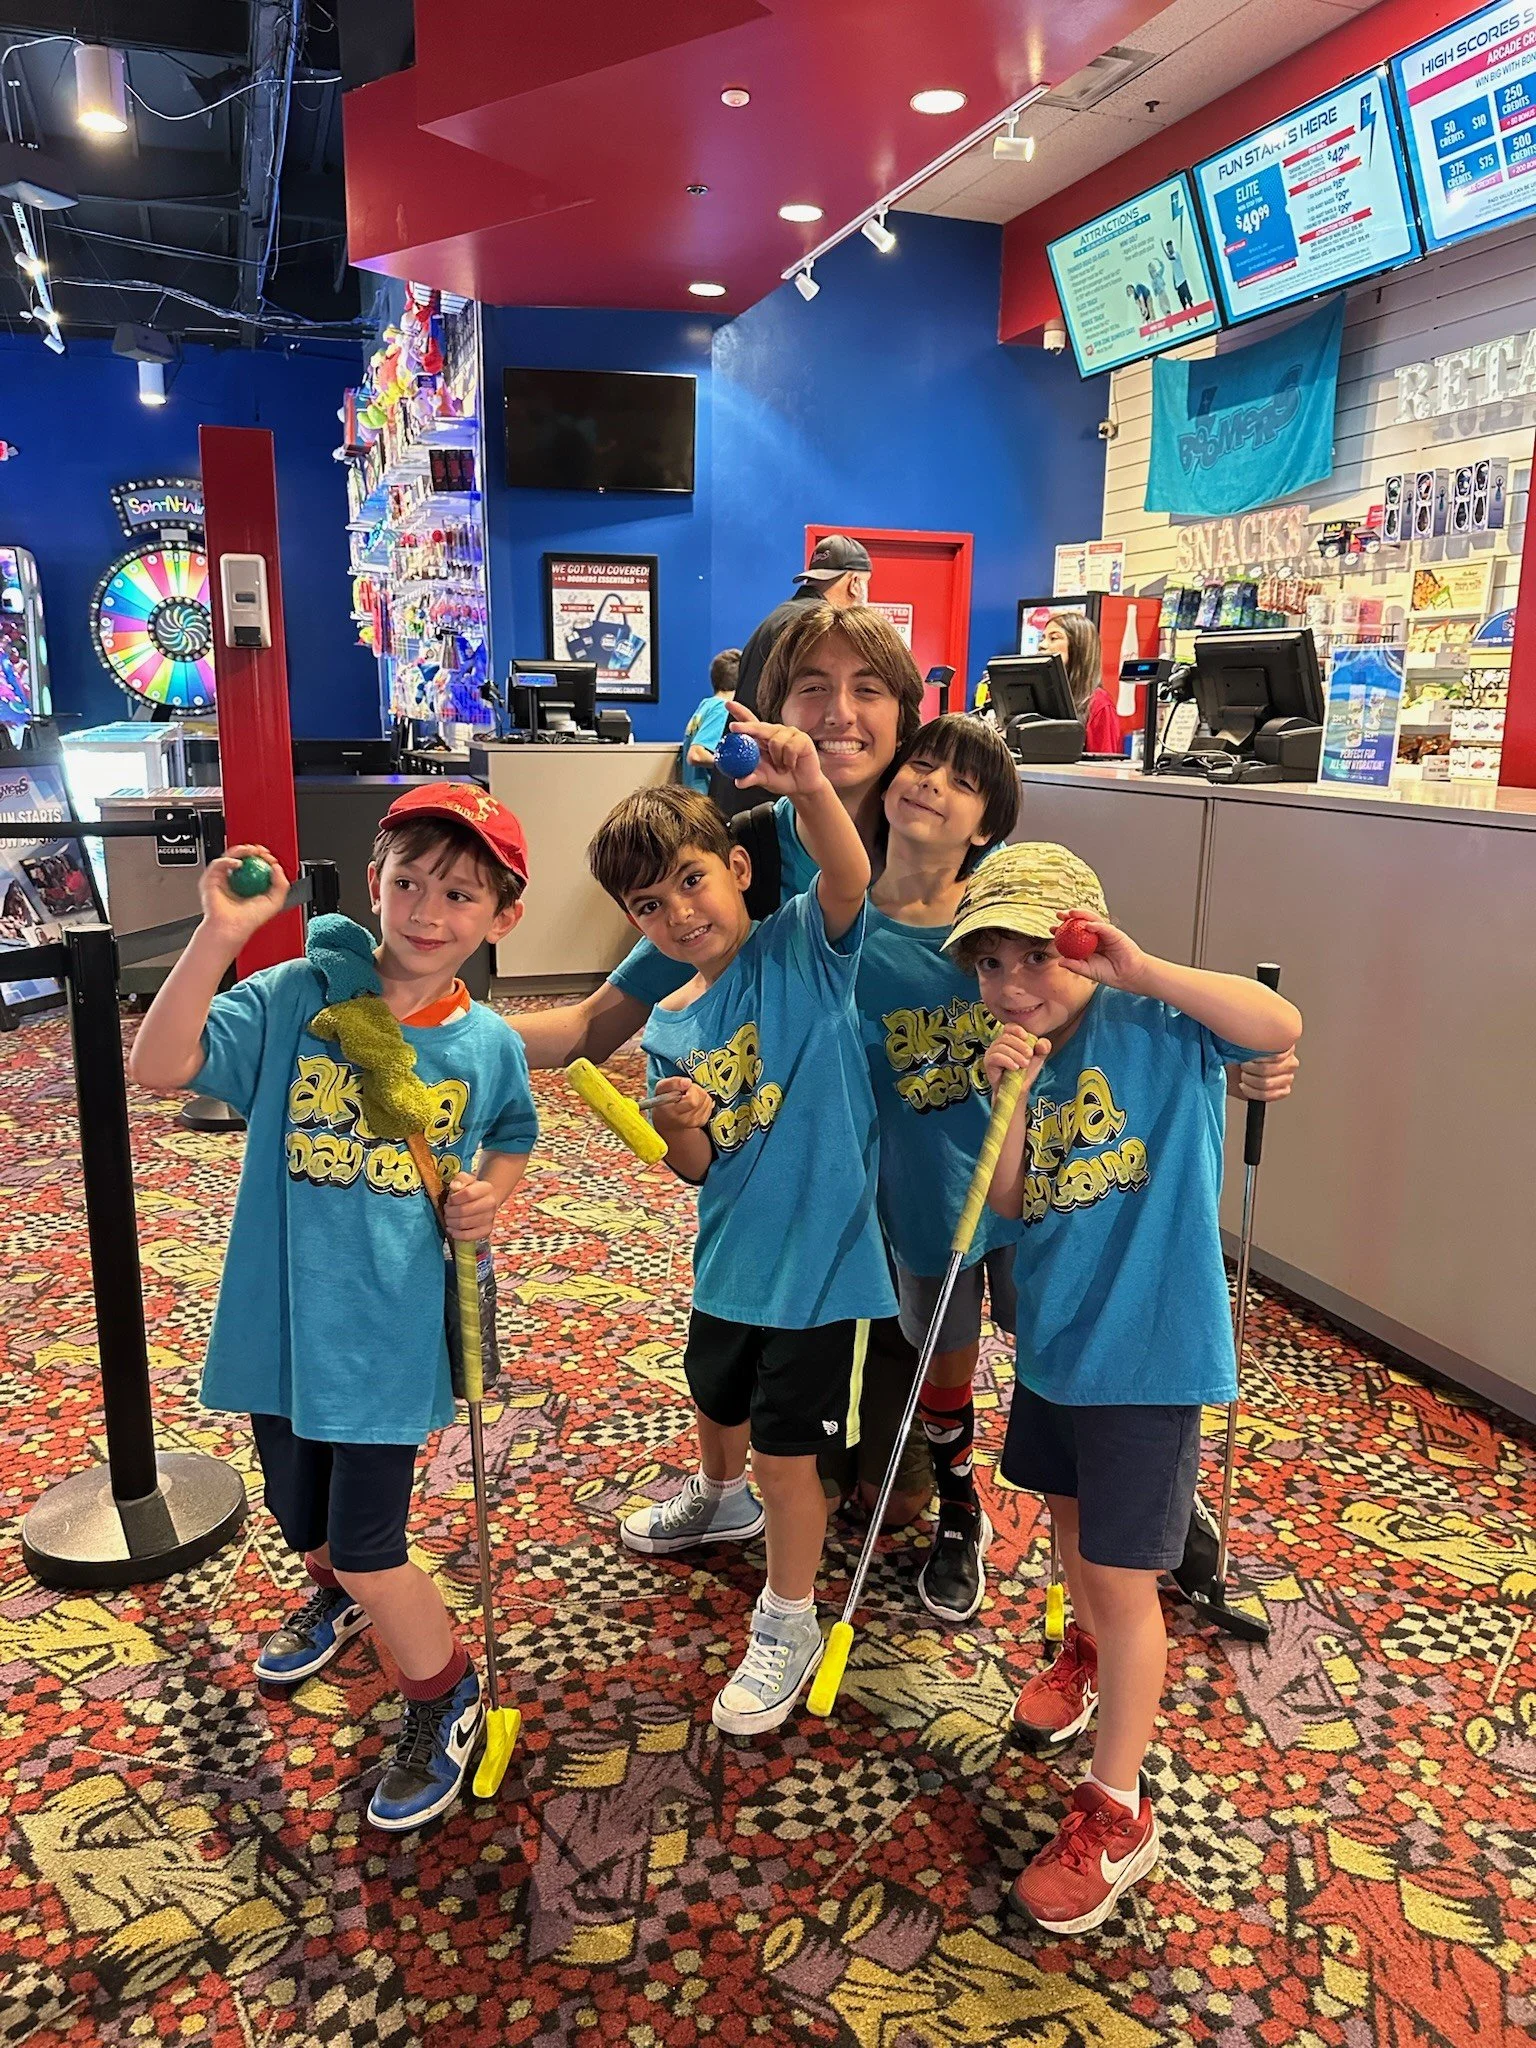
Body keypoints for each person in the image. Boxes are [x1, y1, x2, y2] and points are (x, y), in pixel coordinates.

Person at [514, 607, 1298, 1542]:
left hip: (1017, 1165)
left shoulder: (973, 850)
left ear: (905, 712)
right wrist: (435, 1012)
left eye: (867, 689)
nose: (839, 713)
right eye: (811, 687)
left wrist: (1230, 1052)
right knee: (862, 1464)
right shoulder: (751, 857)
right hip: (860, 1203)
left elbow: (1094, 988)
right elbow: (595, 1022)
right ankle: (938, 1481)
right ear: (770, 708)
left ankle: (1129, 1483)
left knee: (1054, 1340)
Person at [128, 784, 538, 1833]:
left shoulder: (487, 1040)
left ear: (501, 916)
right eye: (409, 881)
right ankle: (342, 1591)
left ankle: (444, 1689)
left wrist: (491, 1191)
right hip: (281, 1326)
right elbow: (160, 1064)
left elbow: (512, 1132)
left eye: (460, 891)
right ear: (375, 882)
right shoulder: (294, 997)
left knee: (368, 1542)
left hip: (387, 1341)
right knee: (300, 1519)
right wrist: (220, 935)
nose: (428, 910)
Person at [949, 842, 1302, 1934]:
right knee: (1067, 1523)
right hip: (1057, 1343)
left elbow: (1277, 1028)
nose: (1017, 985)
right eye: (992, 965)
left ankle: (1117, 1806)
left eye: (1040, 956)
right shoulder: (1012, 1058)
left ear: (1090, 942)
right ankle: (1087, 1651)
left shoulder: (1159, 1022)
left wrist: (1139, 970)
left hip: (1148, 1349)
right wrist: (1001, 1094)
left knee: (1123, 1569)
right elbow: (1008, 1200)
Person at [588, 750, 895, 1738]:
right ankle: (718, 1501)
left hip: (823, 1269)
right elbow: (696, 1165)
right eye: (649, 903)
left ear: (737, 868)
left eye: (691, 879)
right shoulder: (672, 1025)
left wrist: (807, 782)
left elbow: (849, 875)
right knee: (715, 1399)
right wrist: (682, 1116)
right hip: (731, 1258)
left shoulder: (805, 945)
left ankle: (789, 1613)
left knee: (786, 1454)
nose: (679, 913)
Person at [856, 713, 1021, 1621]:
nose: (929, 784)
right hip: (922, 1192)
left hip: (1029, 1184)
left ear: (986, 824)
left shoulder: (1005, 922)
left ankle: (1129, 1486)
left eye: (960, 782)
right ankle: (962, 1507)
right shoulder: (846, 927)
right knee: (943, 1363)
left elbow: (1105, 1009)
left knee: (1056, 1349)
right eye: (919, 765)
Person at [726, 531, 871, 736]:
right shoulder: (820, 627)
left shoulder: (775, 618)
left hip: (748, 751)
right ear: (855, 584)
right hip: (780, 754)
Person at [1042, 611, 1121, 758]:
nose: (1042, 645)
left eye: (1053, 638)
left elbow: (1106, 767)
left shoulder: (1099, 703)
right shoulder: (1045, 698)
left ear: (1078, 647)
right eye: (1043, 638)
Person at [679, 646, 740, 794]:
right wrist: (734, 765)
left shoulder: (706, 705)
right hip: (706, 798)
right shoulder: (722, 709)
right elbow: (696, 754)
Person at [1166, 238, 1193, 311]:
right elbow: (1174, 271)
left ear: (1172, 247)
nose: (1168, 249)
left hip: (1182, 281)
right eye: (1167, 248)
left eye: (1169, 247)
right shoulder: (1172, 260)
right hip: (1178, 284)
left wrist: (1163, 250)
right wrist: (1174, 282)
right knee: (1183, 303)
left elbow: (1170, 258)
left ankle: (1195, 316)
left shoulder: (1176, 254)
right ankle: (1189, 321)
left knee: (1189, 300)